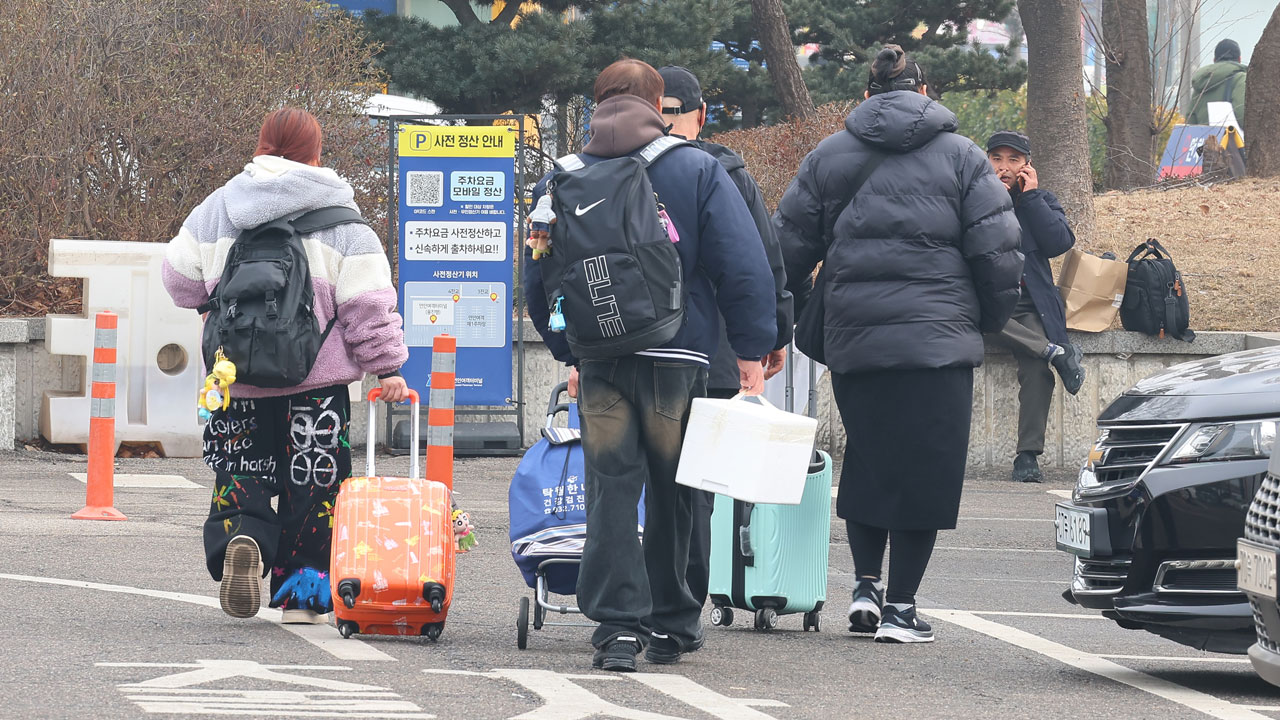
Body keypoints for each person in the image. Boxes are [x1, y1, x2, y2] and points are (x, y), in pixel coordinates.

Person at [524, 59, 777, 671]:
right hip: (677, 356)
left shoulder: (559, 179)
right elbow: (743, 264)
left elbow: (538, 277)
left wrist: (569, 351)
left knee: (611, 488)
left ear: (597, 101)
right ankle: (670, 622)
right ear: (657, 103)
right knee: (675, 490)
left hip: (602, 360)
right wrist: (751, 349)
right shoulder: (696, 168)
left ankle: (615, 629)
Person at [774, 46, 1022, 643]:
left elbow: (784, 250)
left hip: (858, 338)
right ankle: (903, 607)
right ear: (925, 90)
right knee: (928, 469)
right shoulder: (963, 157)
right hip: (938, 341)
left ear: (866, 96)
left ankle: (864, 585)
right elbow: (999, 252)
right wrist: (983, 320)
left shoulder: (829, 156)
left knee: (871, 455)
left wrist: (802, 314)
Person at [162, 108, 409, 624]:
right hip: (315, 390)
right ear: (316, 154)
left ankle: (244, 536)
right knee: (315, 488)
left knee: (240, 474)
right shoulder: (343, 221)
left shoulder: (218, 208)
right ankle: (302, 597)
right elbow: (368, 304)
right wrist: (386, 368)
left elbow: (179, 282)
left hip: (237, 379)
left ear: (261, 145)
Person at [657, 64, 792, 609]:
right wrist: (768, 337)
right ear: (702, 115)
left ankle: (635, 599)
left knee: (635, 478)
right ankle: (686, 603)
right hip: (708, 353)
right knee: (698, 484)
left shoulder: (613, 166)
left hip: (630, 351)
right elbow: (760, 262)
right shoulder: (723, 172)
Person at [984, 131, 1084, 484]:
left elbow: (1059, 243)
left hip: (1029, 304)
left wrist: (1031, 199)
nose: (1004, 167)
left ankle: (1027, 456)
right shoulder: (971, 195)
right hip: (985, 299)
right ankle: (1055, 352)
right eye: (997, 158)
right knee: (986, 313)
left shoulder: (1039, 199)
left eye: (1014, 160)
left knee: (1037, 369)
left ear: (1027, 165)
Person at [1185, 39, 1248, 130]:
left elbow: (1190, 120)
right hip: (1230, 141)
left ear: (1214, 60)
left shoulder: (1202, 81)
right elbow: (1241, 113)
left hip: (1204, 141)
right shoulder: (1240, 78)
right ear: (1239, 59)